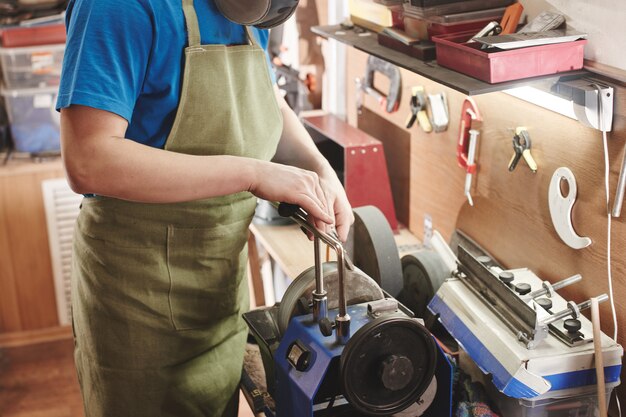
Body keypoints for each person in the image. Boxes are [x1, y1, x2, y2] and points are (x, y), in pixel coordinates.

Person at [56, 0, 353, 416]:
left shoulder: (251, 10)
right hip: (138, 305)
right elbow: (88, 159)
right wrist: (252, 174)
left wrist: (317, 166)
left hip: (219, 295)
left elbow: (265, 93)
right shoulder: (116, 6)